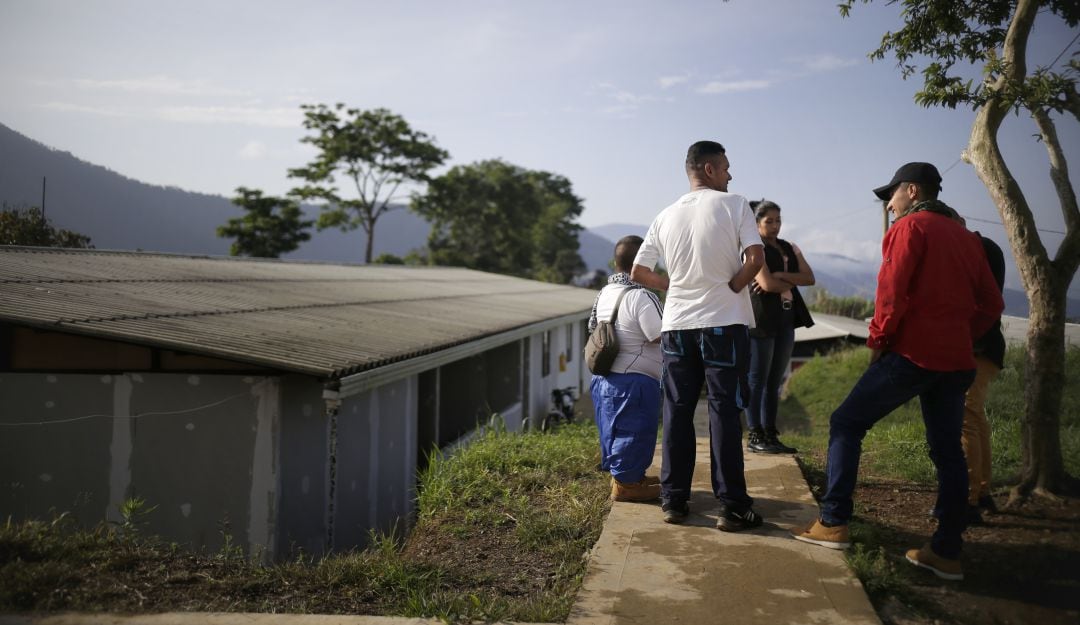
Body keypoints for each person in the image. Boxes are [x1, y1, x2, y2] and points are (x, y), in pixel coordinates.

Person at [791, 162, 1003, 582]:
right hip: (957, 360)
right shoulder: (967, 238)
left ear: (911, 190)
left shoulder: (909, 228)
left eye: (892, 195)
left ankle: (833, 523)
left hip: (913, 355)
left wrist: (878, 344)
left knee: (846, 423)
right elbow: (992, 306)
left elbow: (890, 295)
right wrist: (961, 334)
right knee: (947, 451)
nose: (889, 204)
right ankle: (945, 551)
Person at [630, 140, 766, 531]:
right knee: (724, 412)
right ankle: (733, 507)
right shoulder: (736, 204)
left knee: (677, 411)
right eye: (725, 167)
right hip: (723, 323)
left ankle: (674, 500)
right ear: (709, 169)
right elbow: (755, 259)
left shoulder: (665, 214)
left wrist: (672, 287)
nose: (730, 175)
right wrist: (734, 287)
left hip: (676, 327)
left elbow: (639, 271)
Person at [588, 235, 664, 502]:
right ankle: (628, 486)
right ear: (642, 262)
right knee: (635, 431)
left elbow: (592, 327)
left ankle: (628, 478)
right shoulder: (641, 296)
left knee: (614, 429)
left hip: (607, 378)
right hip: (635, 381)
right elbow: (658, 335)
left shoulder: (605, 292)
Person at [745, 200, 815, 454]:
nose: (775, 226)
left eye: (778, 220)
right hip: (761, 320)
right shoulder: (753, 249)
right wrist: (778, 280)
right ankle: (755, 434)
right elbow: (766, 284)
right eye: (769, 221)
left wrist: (782, 276)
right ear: (756, 223)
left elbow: (810, 278)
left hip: (786, 319)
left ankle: (770, 433)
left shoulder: (788, 247)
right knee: (757, 380)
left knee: (775, 381)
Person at [962, 233, 1005, 523]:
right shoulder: (987, 246)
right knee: (975, 417)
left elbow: (983, 301)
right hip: (988, 347)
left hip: (978, 348)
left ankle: (967, 499)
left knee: (965, 419)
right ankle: (983, 490)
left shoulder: (977, 249)